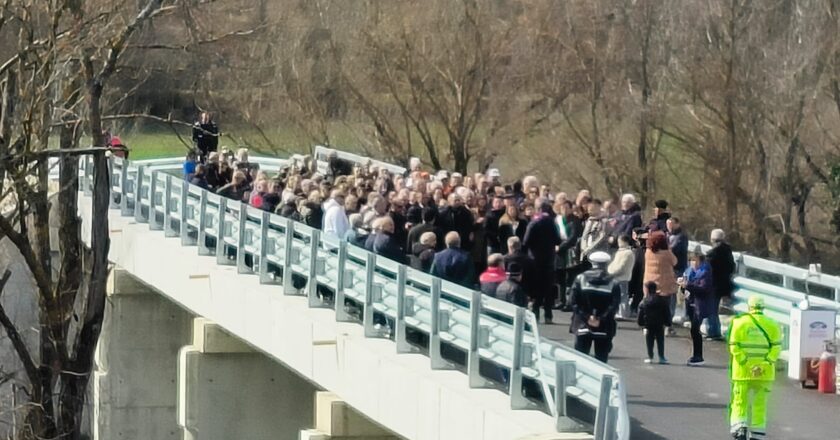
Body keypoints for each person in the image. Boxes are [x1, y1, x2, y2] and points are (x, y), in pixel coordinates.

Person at [727, 295, 782, 440]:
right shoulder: (772, 324)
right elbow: (776, 348)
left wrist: (747, 364)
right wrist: (763, 365)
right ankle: (758, 432)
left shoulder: (739, 323)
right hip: (764, 373)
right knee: (760, 403)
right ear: (763, 308)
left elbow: (734, 347)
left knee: (739, 400)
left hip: (742, 371)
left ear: (749, 307)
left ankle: (739, 427)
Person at [568, 251, 621, 363]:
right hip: (604, 326)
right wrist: (600, 318)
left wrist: (587, 317)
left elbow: (573, 301)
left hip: (582, 324)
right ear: (607, 263)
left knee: (580, 360)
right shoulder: (614, 282)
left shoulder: (580, 278)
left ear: (592, 262)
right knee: (601, 362)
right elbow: (614, 305)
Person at [522, 202, 561, 323]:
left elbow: (526, 241)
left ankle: (536, 312)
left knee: (537, 286)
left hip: (535, 259)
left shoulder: (534, 222)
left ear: (538, 210)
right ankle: (548, 315)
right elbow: (558, 240)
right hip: (549, 259)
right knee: (548, 287)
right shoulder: (551, 223)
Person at [680, 252, 714, 366]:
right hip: (690, 302)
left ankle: (698, 356)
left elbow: (703, 289)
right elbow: (686, 286)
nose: (692, 263)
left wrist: (688, 285)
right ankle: (696, 355)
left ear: (700, 261)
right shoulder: (689, 271)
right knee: (693, 330)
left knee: (695, 329)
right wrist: (683, 287)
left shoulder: (705, 273)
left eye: (694, 261)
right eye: (691, 261)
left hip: (700, 304)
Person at [643, 231, 678, 335]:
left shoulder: (648, 252)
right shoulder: (667, 253)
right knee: (667, 306)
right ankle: (668, 326)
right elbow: (675, 261)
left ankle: (648, 326)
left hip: (649, 282)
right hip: (665, 283)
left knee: (649, 306)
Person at [706, 228, 735, 340]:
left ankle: (713, 332)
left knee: (711, 309)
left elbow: (706, 269)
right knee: (714, 308)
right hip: (724, 284)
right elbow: (732, 267)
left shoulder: (712, 254)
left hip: (713, 284)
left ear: (712, 239)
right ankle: (715, 331)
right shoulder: (728, 251)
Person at [637, 282, 670, 364]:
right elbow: (666, 312)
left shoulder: (645, 301)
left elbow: (641, 313)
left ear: (647, 289)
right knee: (660, 341)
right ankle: (661, 357)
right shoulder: (662, 300)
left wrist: (641, 323)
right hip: (659, 324)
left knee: (649, 341)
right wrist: (668, 322)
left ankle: (650, 356)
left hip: (648, 324)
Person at [667, 217, 690, 322]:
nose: (669, 226)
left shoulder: (682, 236)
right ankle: (667, 313)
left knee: (675, 292)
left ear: (677, 224)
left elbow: (676, 249)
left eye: (671, 224)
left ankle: (673, 314)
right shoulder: (667, 235)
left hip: (678, 267)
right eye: (668, 224)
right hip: (668, 267)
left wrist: (667, 249)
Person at [607, 235, 635, 319]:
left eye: (620, 241)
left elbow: (621, 266)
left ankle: (623, 313)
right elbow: (614, 264)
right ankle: (620, 312)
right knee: (619, 295)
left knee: (623, 296)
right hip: (617, 277)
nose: (618, 243)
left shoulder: (627, 253)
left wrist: (611, 272)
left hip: (622, 277)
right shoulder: (620, 252)